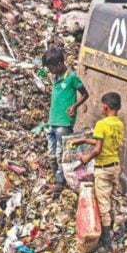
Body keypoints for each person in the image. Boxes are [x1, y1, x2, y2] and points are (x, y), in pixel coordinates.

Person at [72, 92, 124, 253]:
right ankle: (115, 231)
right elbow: (102, 142)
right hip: (115, 166)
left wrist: (85, 159)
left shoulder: (102, 124)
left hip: (103, 168)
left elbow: (98, 149)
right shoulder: (119, 124)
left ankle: (106, 244)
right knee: (113, 198)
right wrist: (84, 140)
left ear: (105, 107)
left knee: (103, 205)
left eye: (102, 105)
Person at [42, 47, 89, 196]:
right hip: (53, 122)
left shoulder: (71, 77)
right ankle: (57, 179)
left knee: (61, 154)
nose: (49, 71)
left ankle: (60, 183)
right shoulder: (56, 78)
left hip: (64, 123)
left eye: (51, 68)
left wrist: (74, 106)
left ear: (59, 64)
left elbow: (85, 94)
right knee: (51, 154)